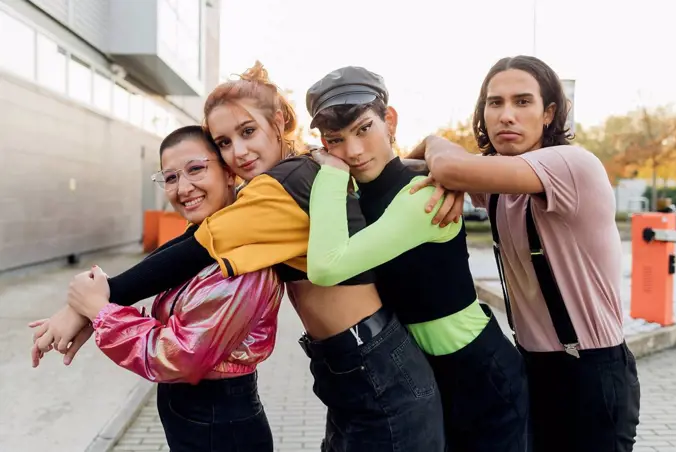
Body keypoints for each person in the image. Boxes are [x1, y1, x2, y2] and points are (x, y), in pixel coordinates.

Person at [32, 62, 446, 452]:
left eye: (248, 131)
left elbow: (191, 251)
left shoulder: (281, 185)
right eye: (225, 142)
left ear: (278, 122)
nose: (240, 152)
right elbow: (193, 240)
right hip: (356, 365)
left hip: (375, 367)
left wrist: (94, 304)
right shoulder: (299, 173)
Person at [408, 55, 641, 452]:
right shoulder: (499, 178)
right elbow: (411, 169)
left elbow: (446, 167)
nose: (506, 116)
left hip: (592, 373)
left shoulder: (571, 164)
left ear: (548, 113)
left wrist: (432, 140)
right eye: (494, 103)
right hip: (532, 367)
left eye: (522, 102)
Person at [304, 66, 529, 451]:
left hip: (480, 373)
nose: (353, 151)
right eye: (335, 140)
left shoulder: (424, 194)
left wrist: (330, 170)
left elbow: (325, 267)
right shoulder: (368, 192)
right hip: (425, 374)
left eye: (363, 129)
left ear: (389, 120)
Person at [34, 126, 284, 452]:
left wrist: (100, 312)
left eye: (196, 169)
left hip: (221, 427)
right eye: (170, 178)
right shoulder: (198, 246)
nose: (183, 188)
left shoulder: (244, 261)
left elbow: (176, 357)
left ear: (228, 173)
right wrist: (86, 311)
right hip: (197, 419)